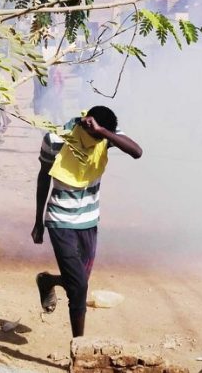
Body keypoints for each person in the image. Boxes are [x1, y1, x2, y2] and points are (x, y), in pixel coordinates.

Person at [32, 106, 143, 338]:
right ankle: (79, 345)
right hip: (60, 220)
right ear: (86, 123)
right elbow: (43, 178)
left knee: (78, 281)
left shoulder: (105, 135)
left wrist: (102, 132)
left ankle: (48, 281)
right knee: (80, 287)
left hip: (89, 221)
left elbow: (136, 152)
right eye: (98, 134)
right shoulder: (55, 140)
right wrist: (38, 221)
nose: (100, 141)